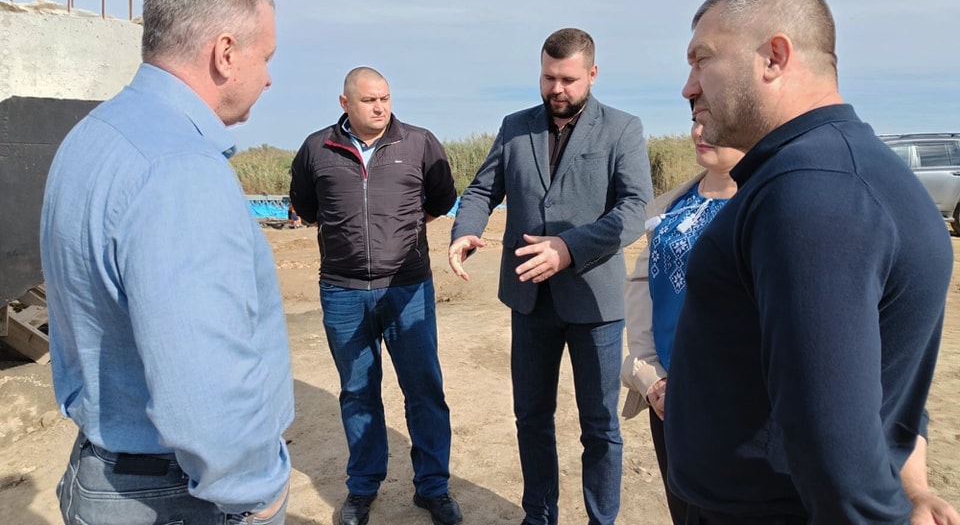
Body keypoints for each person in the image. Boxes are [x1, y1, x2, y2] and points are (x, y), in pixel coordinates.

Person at [666, 0, 957, 524]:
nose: (689, 87)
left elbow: (833, 445)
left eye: (702, 60)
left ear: (774, 56)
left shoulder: (811, 192)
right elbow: (884, 387)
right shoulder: (844, 172)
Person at [39, 0, 294, 524]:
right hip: (178, 498)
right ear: (225, 54)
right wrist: (258, 492)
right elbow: (203, 385)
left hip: (106, 471)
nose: (270, 77)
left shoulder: (96, 135)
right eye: (266, 57)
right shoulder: (179, 168)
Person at [448, 28, 652, 525]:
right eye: (548, 77)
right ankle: (539, 516)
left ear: (592, 74)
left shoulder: (622, 128)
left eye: (568, 79)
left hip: (594, 304)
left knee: (600, 426)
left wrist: (569, 247)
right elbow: (481, 190)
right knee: (531, 419)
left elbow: (633, 210)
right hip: (529, 301)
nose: (557, 88)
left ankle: (600, 520)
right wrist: (465, 230)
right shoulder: (515, 126)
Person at [288, 67, 461, 525]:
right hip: (343, 291)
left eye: (385, 98)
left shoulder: (419, 143)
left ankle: (433, 487)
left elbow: (443, 199)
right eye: (369, 100)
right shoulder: (316, 149)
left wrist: (399, 231)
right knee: (358, 392)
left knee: (424, 389)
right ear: (344, 103)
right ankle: (363, 487)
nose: (380, 107)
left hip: (408, 289)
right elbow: (307, 209)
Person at [620, 117, 741, 525]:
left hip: (737, 412)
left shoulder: (769, 205)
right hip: (668, 400)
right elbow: (641, 286)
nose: (700, 131)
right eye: (695, 121)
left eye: (715, 119)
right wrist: (650, 376)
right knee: (685, 512)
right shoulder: (671, 205)